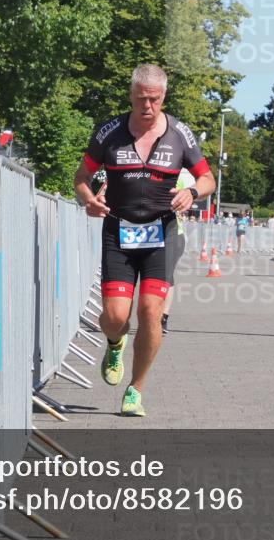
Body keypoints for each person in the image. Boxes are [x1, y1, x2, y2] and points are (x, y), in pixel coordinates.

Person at [74, 64, 215, 416]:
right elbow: (81, 177)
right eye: (140, 99)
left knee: (151, 311)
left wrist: (194, 192)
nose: (147, 107)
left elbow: (209, 178)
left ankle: (136, 389)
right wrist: (87, 200)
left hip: (161, 232)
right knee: (114, 315)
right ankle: (114, 341)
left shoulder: (181, 134)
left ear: (163, 96)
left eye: (153, 99)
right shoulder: (109, 132)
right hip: (119, 230)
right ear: (131, 95)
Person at [161, 168, 196, 335]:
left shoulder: (182, 175)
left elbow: (200, 190)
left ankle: (163, 317)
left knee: (166, 276)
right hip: (144, 234)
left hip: (174, 234)